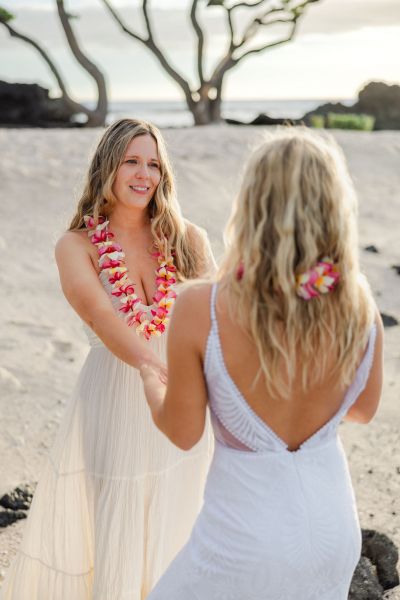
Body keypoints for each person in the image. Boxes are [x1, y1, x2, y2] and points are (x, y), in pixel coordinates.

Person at [140, 128, 384, 599]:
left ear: (251, 203)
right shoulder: (358, 305)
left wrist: (152, 380)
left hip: (244, 538)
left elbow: (183, 431)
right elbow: (363, 410)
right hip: (333, 529)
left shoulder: (202, 307)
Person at [1, 119, 215, 600]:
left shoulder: (189, 240)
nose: (144, 174)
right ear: (108, 167)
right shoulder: (75, 246)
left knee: (182, 510)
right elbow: (99, 315)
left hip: (182, 394)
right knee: (117, 517)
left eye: (154, 164)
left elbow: (216, 319)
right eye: (132, 161)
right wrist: (150, 366)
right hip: (115, 396)